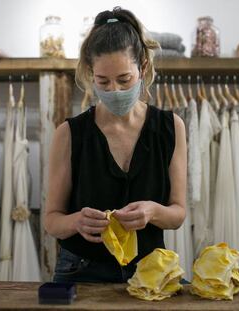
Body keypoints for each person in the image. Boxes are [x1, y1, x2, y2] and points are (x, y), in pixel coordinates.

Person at [44, 6, 187, 283]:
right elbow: (52, 220)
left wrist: (152, 211)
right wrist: (76, 221)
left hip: (151, 270)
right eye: (103, 81)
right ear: (90, 74)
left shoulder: (170, 128)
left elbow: (178, 213)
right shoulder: (70, 133)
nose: (114, 90)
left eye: (124, 80)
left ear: (142, 68)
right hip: (81, 270)